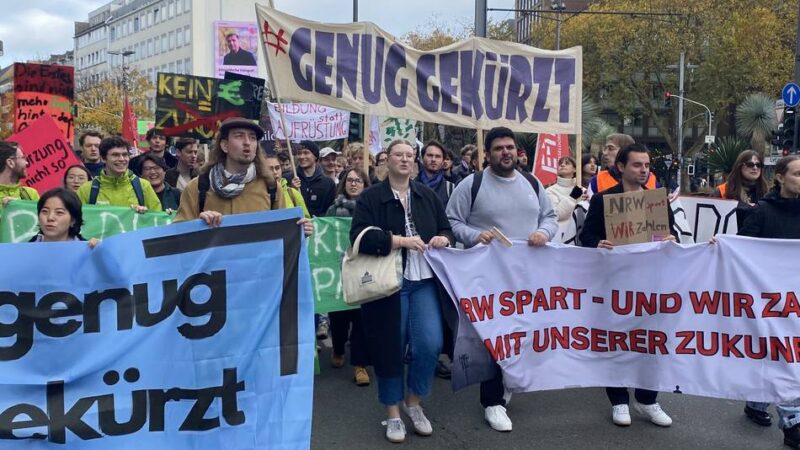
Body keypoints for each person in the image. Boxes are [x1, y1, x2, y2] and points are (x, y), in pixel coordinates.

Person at [446, 126, 557, 433]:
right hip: (488, 278)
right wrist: (474, 235)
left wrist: (543, 233)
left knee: (522, 334)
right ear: (488, 154)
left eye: (510, 147)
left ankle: (508, 379)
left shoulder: (532, 183)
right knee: (495, 336)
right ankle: (492, 402)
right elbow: (452, 221)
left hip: (527, 277)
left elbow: (549, 217)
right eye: (498, 148)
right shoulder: (471, 185)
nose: (505, 153)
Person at [350, 138, 454, 443]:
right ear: (388, 160)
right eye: (399, 154)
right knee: (390, 347)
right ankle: (393, 412)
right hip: (388, 284)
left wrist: (443, 239)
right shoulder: (371, 197)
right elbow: (358, 238)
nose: (405, 159)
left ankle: (414, 403)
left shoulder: (427, 195)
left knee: (430, 344)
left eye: (410, 155)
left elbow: (446, 228)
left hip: (424, 282)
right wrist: (398, 241)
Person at [579, 143, 676, 428]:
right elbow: (587, 236)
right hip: (615, 283)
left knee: (651, 343)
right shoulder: (603, 200)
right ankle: (619, 400)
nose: (644, 170)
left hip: (650, 284)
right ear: (621, 167)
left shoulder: (657, 200)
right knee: (617, 341)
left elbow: (672, 234)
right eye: (637, 165)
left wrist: (672, 240)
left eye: (647, 165)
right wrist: (598, 244)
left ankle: (647, 399)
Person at [734, 155, 800, 449]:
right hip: (769, 301)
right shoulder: (762, 211)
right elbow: (741, 250)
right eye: (798, 174)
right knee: (785, 358)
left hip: (797, 298)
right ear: (780, 178)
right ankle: (793, 422)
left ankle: (756, 403)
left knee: (781, 357)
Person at [174, 118, 312, 237]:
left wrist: (300, 230)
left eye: (252, 138)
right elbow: (177, 236)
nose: (247, 142)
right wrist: (197, 224)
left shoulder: (271, 188)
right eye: (239, 136)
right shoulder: (198, 187)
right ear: (224, 145)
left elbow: (283, 234)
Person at [325, 167, 371, 387]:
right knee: (339, 317)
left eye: (358, 181)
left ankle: (360, 364)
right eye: (350, 180)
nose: (353, 184)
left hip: (364, 269)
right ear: (344, 184)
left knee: (362, 318)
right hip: (339, 270)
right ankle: (338, 348)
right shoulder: (333, 209)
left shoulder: (371, 208)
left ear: (365, 184)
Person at [77, 136, 161, 212]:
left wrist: (145, 215)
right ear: (103, 158)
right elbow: (77, 220)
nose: (121, 159)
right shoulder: (86, 190)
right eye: (115, 155)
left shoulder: (143, 186)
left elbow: (157, 219)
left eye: (125, 155)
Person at [712, 150, 768, 229]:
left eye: (758, 165)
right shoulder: (723, 190)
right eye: (750, 164)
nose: (755, 168)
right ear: (739, 166)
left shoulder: (767, 192)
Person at [588, 134, 657, 195]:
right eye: (637, 165)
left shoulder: (652, 180)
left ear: (625, 150)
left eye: (610, 148)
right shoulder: (597, 180)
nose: (605, 153)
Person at [29, 187, 98, 248]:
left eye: (59, 212)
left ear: (73, 220)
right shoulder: (26, 249)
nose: (50, 218)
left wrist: (99, 251)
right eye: (45, 211)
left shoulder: (87, 248)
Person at [292, 140, 336, 217]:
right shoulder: (288, 178)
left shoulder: (328, 183)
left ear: (315, 156)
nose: (302, 157)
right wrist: (292, 190)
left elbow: (330, 212)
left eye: (306, 153)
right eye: (299, 153)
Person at [546, 156, 586, 233]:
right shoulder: (550, 191)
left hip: (581, 233)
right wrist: (572, 198)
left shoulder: (583, 190)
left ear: (575, 169)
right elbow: (557, 214)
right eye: (560, 163)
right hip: (561, 235)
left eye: (567, 163)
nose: (562, 165)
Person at [265, 153, 310, 219]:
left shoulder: (292, 193)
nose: (275, 172)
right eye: (270, 169)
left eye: (277, 168)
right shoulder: (257, 195)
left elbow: (306, 219)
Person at [418, 141, 455, 206]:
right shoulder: (410, 186)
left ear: (443, 160)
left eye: (438, 156)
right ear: (422, 158)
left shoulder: (450, 188)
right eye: (430, 155)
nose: (433, 159)